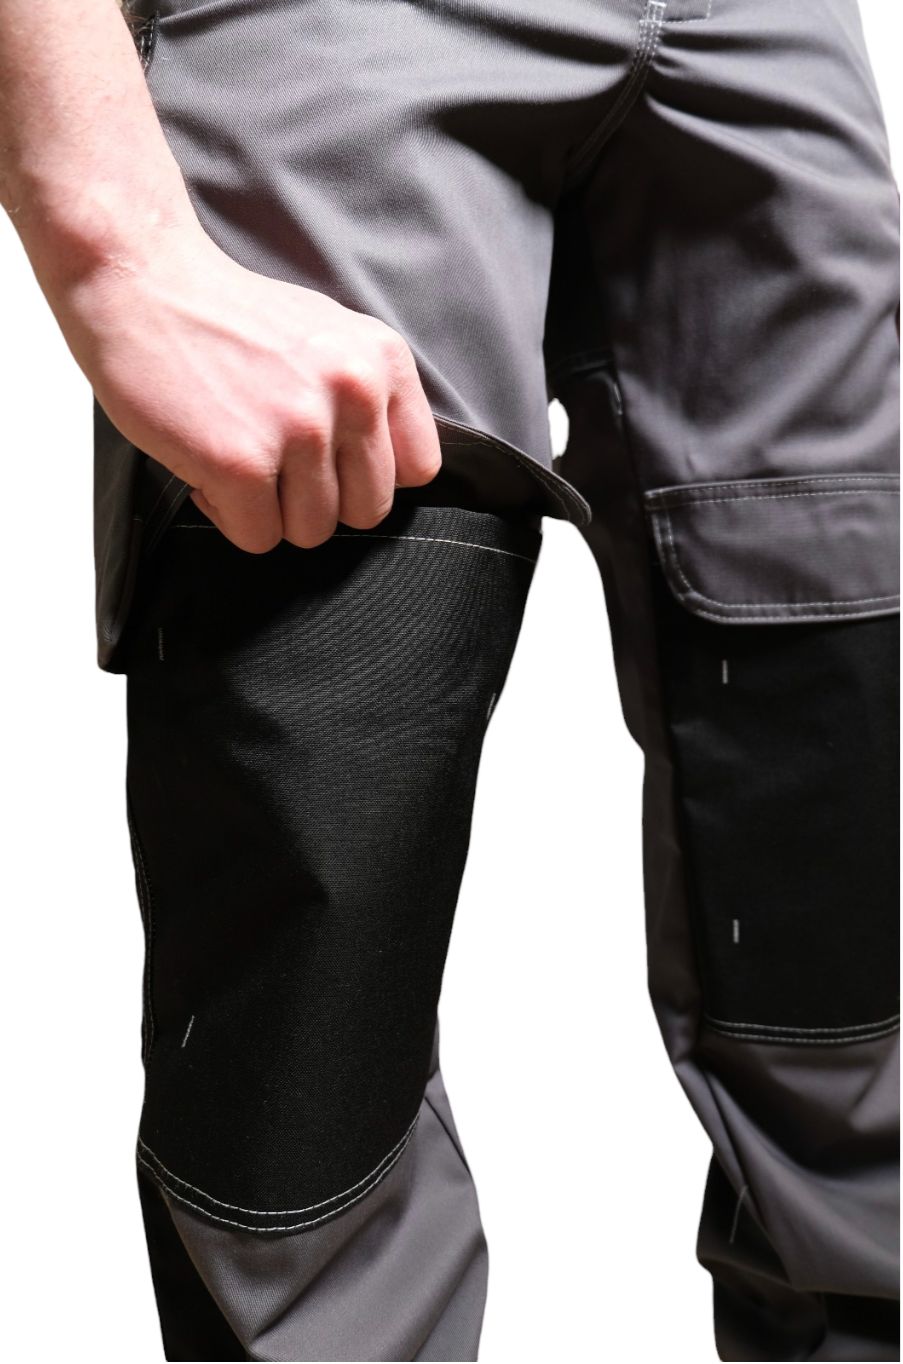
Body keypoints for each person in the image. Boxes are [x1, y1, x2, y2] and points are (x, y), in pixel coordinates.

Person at [1, 0, 899, 1358]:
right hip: (322, 36)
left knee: (854, 1015)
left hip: (770, 34)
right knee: (306, 1116)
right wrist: (108, 235)